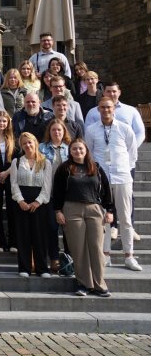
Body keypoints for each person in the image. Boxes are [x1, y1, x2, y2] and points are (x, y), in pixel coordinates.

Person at [84, 97, 141, 271]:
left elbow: (132, 153)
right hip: (102, 180)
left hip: (122, 177)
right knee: (104, 219)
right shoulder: (92, 129)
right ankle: (106, 255)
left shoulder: (124, 128)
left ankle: (129, 256)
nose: (106, 110)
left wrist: (123, 168)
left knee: (125, 218)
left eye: (108, 107)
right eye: (102, 107)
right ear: (98, 109)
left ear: (114, 109)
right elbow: (90, 153)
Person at [52, 140, 114, 297]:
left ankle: (99, 284)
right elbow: (57, 192)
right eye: (74, 149)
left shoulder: (96, 167)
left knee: (96, 247)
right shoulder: (64, 168)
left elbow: (106, 190)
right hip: (72, 209)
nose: (78, 151)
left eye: (80, 148)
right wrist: (58, 211)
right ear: (70, 151)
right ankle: (84, 284)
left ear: (86, 150)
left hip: (94, 209)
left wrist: (110, 210)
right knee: (78, 249)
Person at [10, 132, 53, 278]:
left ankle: (42, 268)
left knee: (40, 236)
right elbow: (14, 184)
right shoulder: (16, 162)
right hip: (21, 202)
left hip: (40, 204)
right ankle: (24, 268)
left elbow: (47, 186)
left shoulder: (46, 162)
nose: (28, 145)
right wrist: (20, 200)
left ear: (35, 143)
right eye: (24, 143)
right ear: (21, 146)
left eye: (30, 142)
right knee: (23, 236)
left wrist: (38, 201)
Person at [40, 118, 73, 271]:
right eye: (53, 130)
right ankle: (53, 258)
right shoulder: (42, 148)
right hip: (49, 194)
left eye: (59, 130)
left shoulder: (70, 148)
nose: (56, 132)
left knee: (69, 229)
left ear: (64, 132)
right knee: (51, 229)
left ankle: (70, 258)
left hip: (68, 195)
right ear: (49, 132)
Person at [0, 111, 19, 252]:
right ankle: (0, 242)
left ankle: (13, 242)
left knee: (12, 209)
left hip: (10, 176)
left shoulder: (13, 139)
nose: (2, 123)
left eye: (4, 121)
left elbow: (17, 158)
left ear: (8, 123)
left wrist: (7, 172)